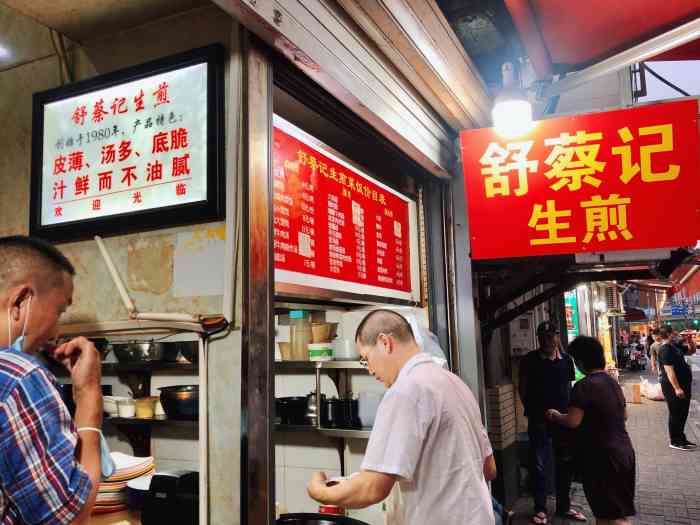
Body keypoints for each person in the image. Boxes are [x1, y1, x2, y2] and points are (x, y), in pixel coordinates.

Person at [307, 309, 494, 525]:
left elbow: (372, 489)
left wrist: (320, 492)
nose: (369, 370)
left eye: (366, 358)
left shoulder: (404, 392)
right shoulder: (456, 384)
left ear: (385, 342)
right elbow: (488, 468)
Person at [0, 235, 103, 524]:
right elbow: (70, 518)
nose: (57, 331)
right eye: (60, 310)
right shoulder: (18, 376)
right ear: (21, 300)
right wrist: (89, 395)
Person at [546, 336, 636, 525]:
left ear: (580, 361)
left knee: (612, 517)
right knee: (611, 514)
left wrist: (555, 415)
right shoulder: (612, 382)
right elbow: (624, 415)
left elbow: (573, 421)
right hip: (624, 453)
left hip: (602, 458)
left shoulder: (584, 386)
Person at [518, 320, 585, 524]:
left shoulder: (566, 360)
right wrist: (533, 410)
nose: (547, 340)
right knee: (539, 465)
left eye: (551, 336)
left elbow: (568, 386)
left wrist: (567, 414)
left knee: (564, 463)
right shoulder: (529, 360)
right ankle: (540, 509)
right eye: (543, 337)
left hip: (562, 420)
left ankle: (563, 507)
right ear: (538, 339)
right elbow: (522, 388)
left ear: (557, 337)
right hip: (539, 421)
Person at [658, 327, 697, 450]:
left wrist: (690, 341)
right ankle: (675, 441)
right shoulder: (664, 349)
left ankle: (681, 438)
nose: (677, 335)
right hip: (672, 387)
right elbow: (669, 371)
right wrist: (677, 388)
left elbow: (691, 352)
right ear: (669, 334)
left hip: (684, 384)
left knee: (683, 412)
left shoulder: (674, 346)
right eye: (674, 333)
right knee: (676, 413)